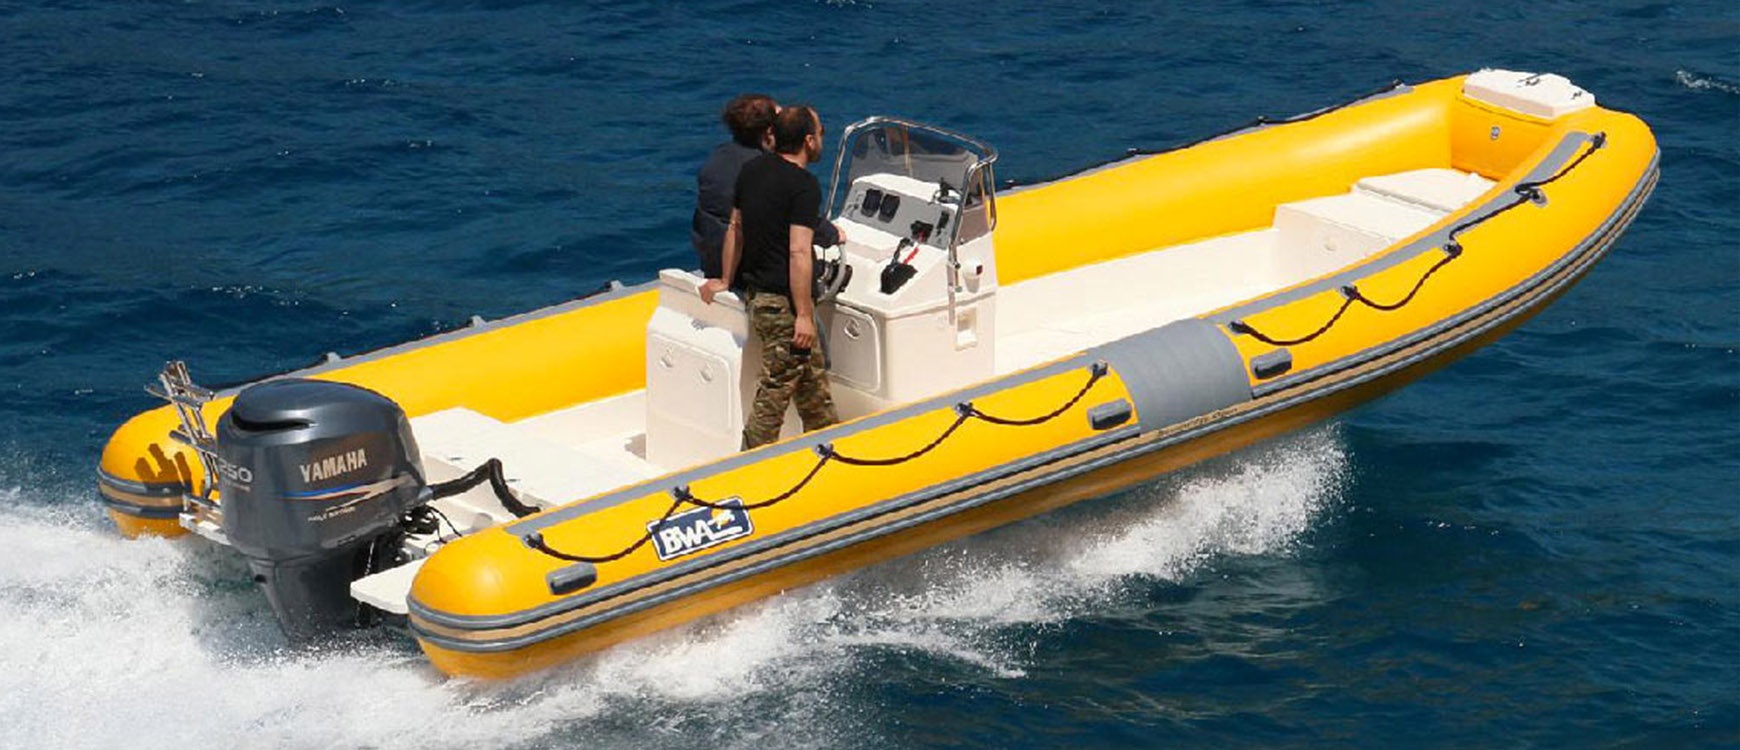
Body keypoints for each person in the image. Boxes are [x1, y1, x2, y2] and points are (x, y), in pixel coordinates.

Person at [700, 105, 839, 450]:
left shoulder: (752, 170)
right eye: (821, 133)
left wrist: (725, 278)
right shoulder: (804, 186)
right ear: (809, 141)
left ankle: (827, 441)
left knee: (812, 384)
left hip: (758, 296)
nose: (822, 139)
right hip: (783, 307)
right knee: (775, 390)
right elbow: (799, 251)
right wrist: (804, 315)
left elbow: (735, 228)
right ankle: (751, 460)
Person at [692, 94, 839, 278]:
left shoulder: (717, 158)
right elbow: (792, 219)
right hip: (746, 269)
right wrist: (832, 234)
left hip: (712, 262)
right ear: (770, 133)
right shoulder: (763, 172)